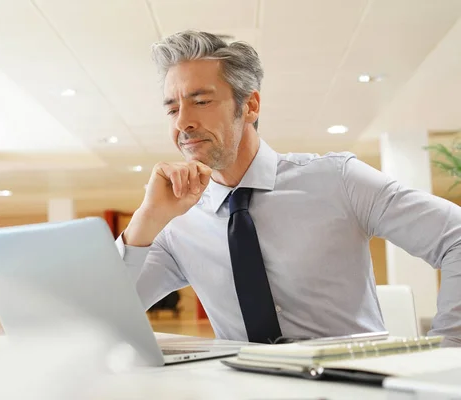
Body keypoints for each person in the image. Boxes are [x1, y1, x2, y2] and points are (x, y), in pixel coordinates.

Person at [115, 30, 461, 347]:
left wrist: (449, 347)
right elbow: (103, 312)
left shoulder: (338, 180)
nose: (182, 122)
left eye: (201, 101)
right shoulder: (177, 223)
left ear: (250, 106)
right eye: (172, 108)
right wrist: (147, 219)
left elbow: (455, 235)